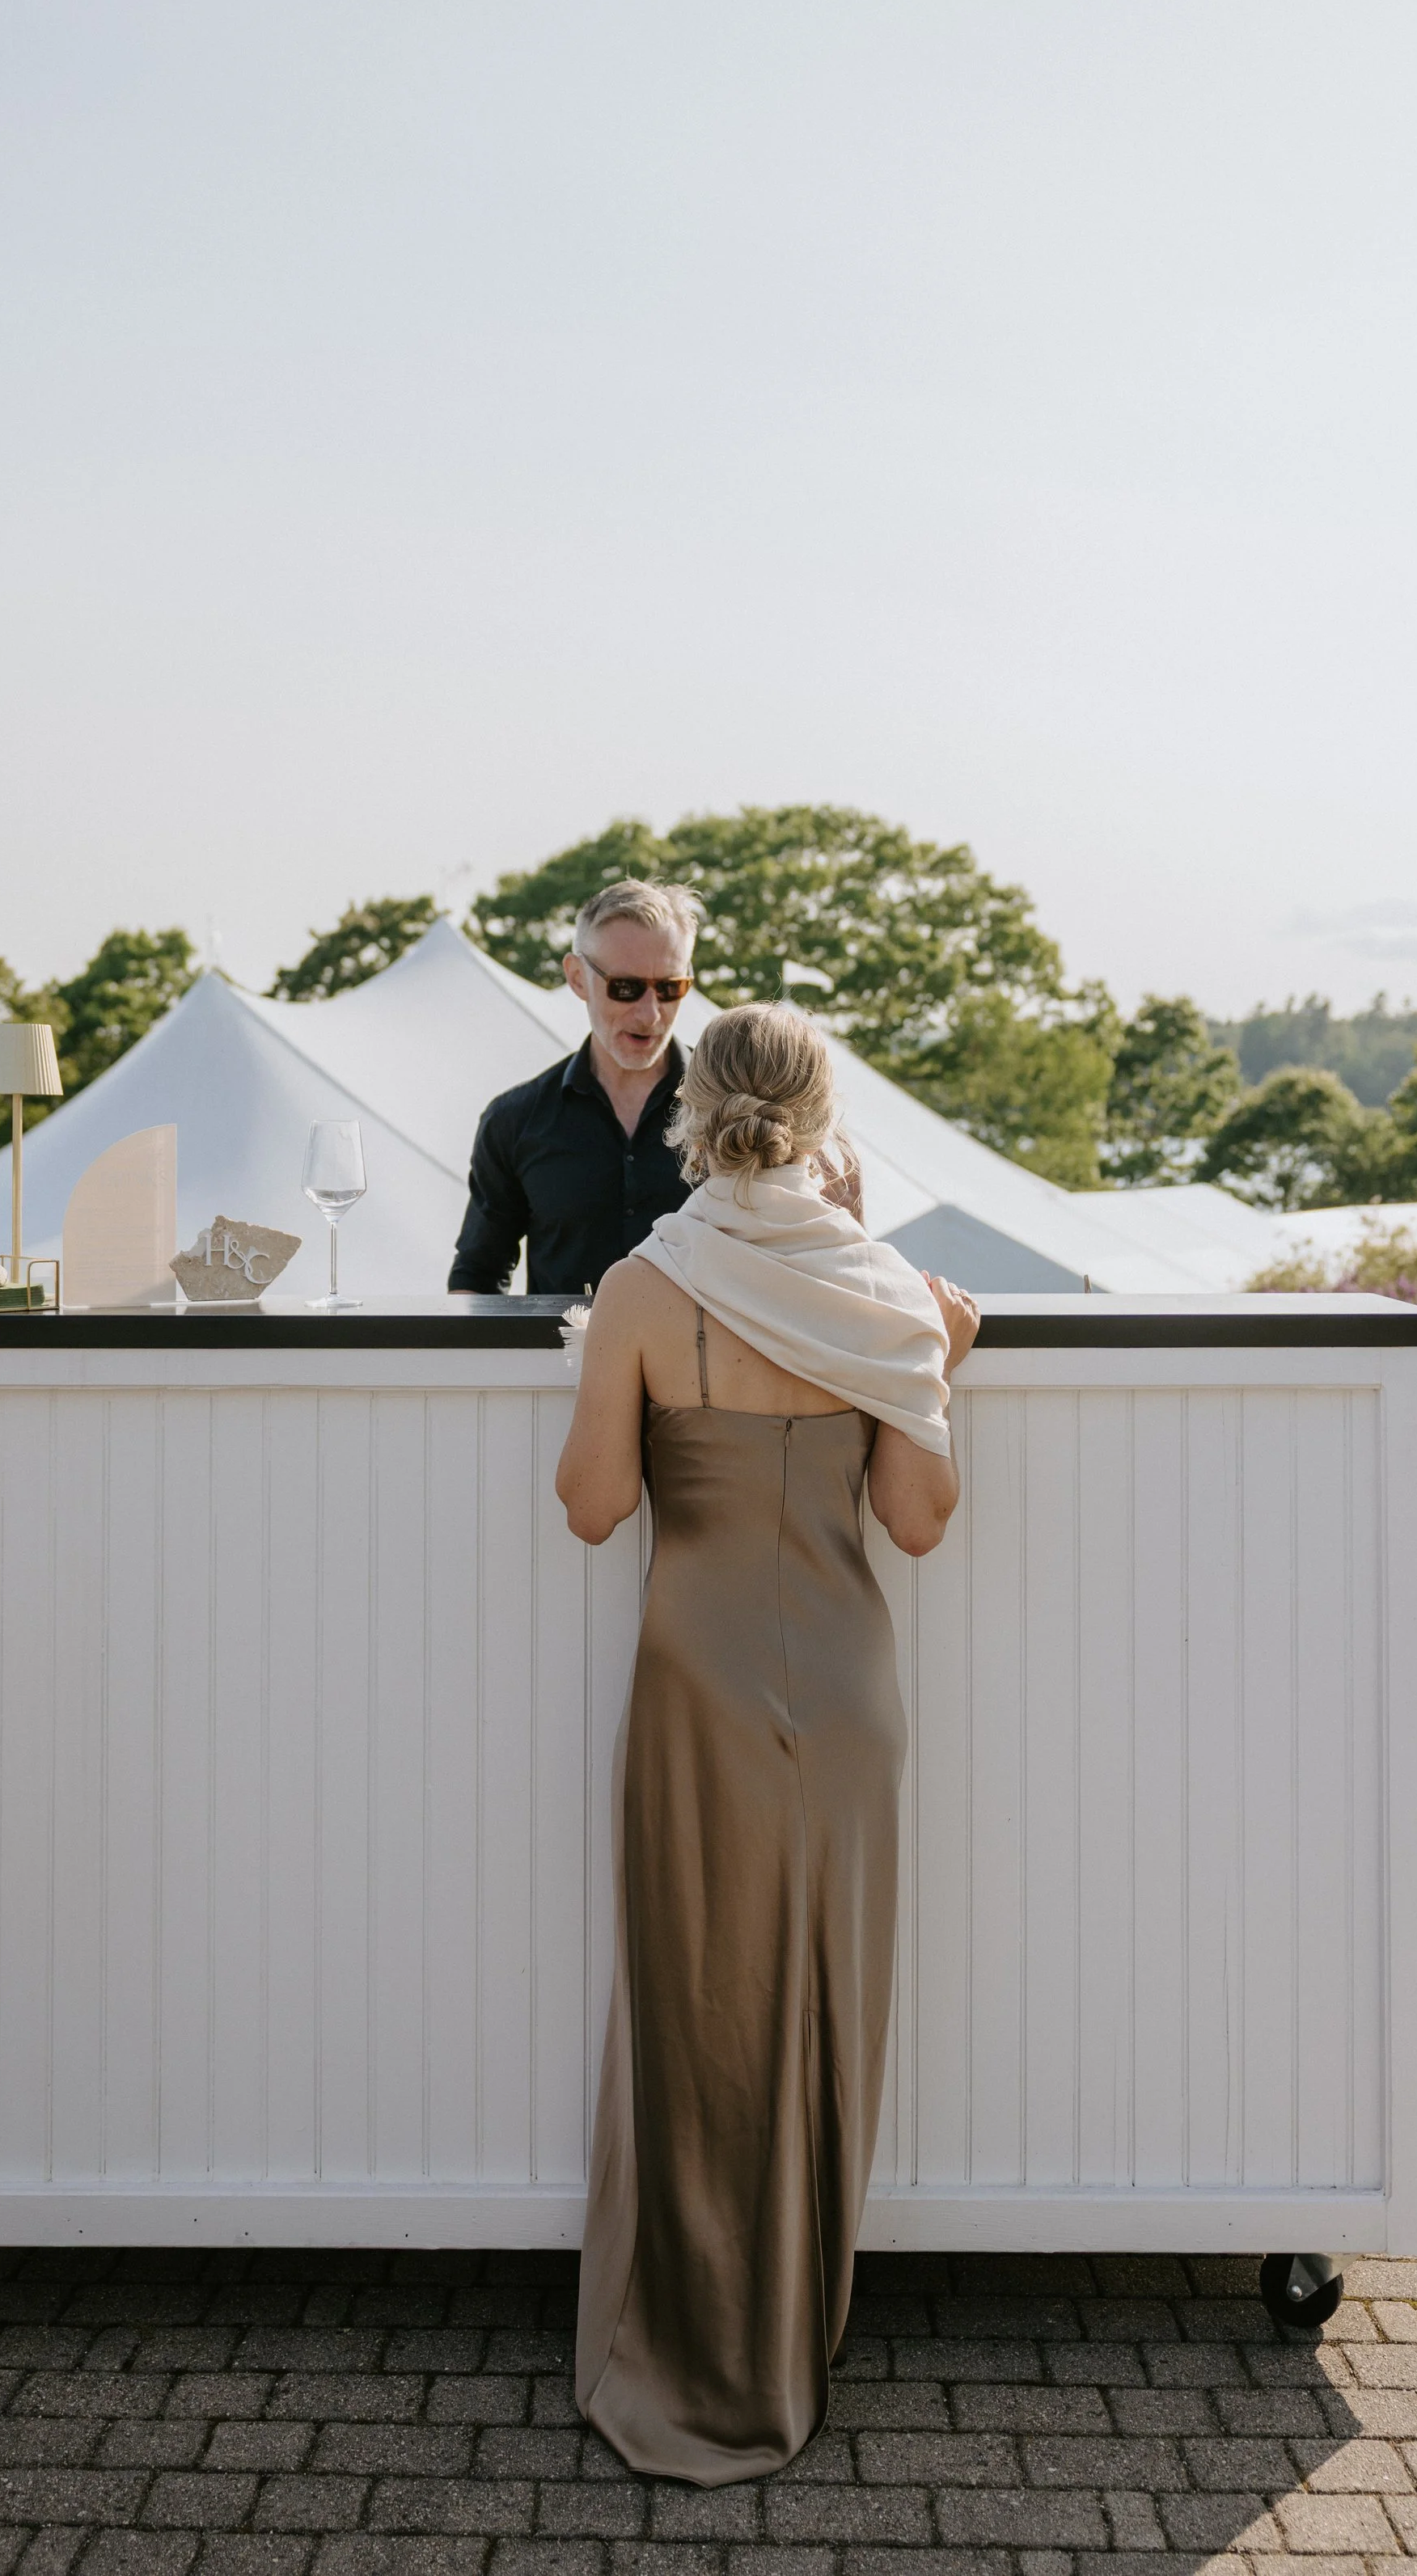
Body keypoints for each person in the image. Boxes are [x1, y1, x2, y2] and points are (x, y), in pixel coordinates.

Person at [556, 1003, 980, 2484]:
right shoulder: (887, 1295)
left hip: (698, 1682)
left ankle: (681, 2344)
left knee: (696, 2005)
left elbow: (595, 1504)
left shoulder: (644, 1287)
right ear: (822, 1121)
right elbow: (919, 1524)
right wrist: (946, 1357)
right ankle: (791, 2340)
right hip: (850, 1697)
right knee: (818, 2005)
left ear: (692, 1107)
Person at [448, 879, 702, 1297]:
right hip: (560, 1363)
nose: (650, 1014)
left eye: (670, 989)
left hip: (704, 1362)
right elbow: (477, 1277)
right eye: (626, 988)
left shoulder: (735, 1110)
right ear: (577, 978)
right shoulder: (514, 1121)